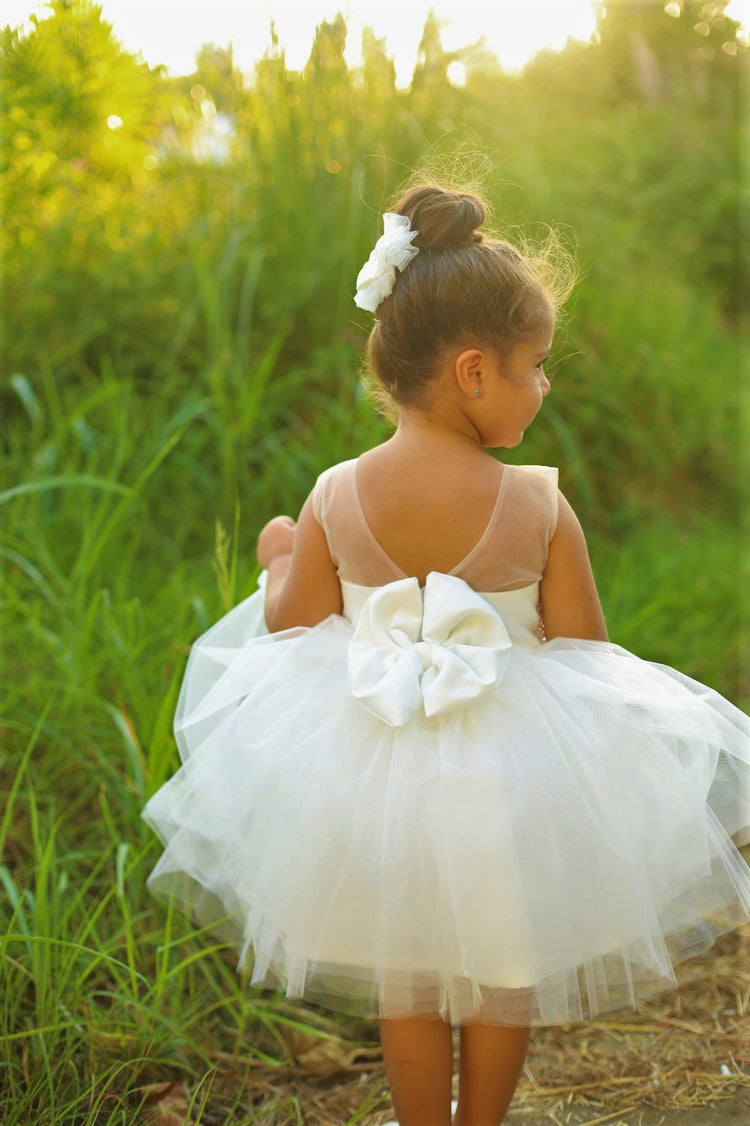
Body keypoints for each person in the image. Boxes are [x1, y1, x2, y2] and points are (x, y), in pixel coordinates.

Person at [143, 184, 750, 1126]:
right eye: (537, 367)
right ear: (475, 373)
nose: (545, 387)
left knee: (409, 974)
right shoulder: (539, 505)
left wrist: (274, 559)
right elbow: (583, 651)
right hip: (506, 784)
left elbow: (291, 631)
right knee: (502, 974)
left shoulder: (335, 495)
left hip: (370, 777)